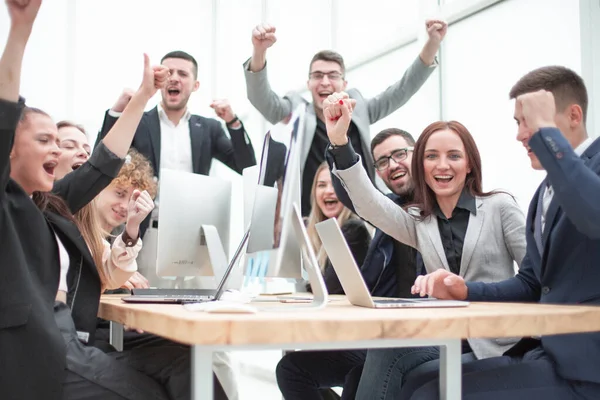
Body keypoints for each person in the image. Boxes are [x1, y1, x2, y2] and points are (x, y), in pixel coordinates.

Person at [401, 67, 600, 400]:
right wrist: (465, 290)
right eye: (518, 124)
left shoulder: (586, 173)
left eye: (530, 122)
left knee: (430, 395)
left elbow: (593, 215)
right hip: (551, 356)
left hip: (588, 370)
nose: (522, 136)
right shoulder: (545, 192)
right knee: (418, 386)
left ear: (574, 116)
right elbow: (531, 283)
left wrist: (547, 136)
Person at [324, 93, 527, 399]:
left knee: (406, 374)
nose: (442, 165)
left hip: (495, 340)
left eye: (454, 156)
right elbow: (366, 202)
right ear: (421, 165)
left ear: (470, 164)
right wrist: (340, 142)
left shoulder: (500, 207)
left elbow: (535, 280)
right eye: (431, 156)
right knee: (384, 353)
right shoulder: (419, 221)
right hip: (445, 336)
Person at [275, 129, 423, 400]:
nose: (392, 164)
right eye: (382, 161)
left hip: (409, 337)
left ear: (418, 156)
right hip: (376, 334)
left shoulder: (420, 216)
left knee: (359, 372)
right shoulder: (387, 212)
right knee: (292, 368)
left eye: (400, 154)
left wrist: (339, 141)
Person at [244, 20, 447, 216]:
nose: (325, 82)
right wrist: (259, 51)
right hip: (312, 217)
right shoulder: (297, 113)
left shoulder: (359, 110)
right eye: (317, 75)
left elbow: (401, 91)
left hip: (361, 215)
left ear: (344, 83)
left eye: (332, 75)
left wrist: (432, 44)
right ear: (308, 83)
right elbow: (262, 100)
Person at [96, 50, 257, 237]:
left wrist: (233, 122)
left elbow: (246, 167)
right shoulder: (138, 122)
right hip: (144, 231)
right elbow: (102, 160)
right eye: (168, 72)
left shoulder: (208, 128)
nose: (174, 78)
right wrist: (117, 111)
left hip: (192, 231)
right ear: (158, 80)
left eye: (182, 74)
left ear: (195, 85)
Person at [305, 161, 371, 294]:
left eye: (336, 184)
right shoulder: (312, 231)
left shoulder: (354, 229)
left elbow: (330, 288)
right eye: (322, 185)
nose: (328, 191)